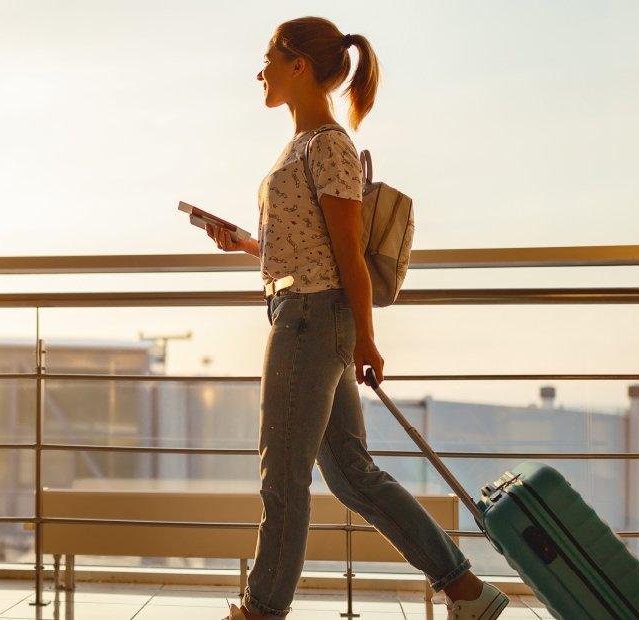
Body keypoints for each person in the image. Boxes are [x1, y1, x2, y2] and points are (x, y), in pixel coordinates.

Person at [203, 16, 510, 620]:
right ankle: (466, 592)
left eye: (268, 59)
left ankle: (260, 610)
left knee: (283, 477)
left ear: (299, 67)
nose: (259, 71)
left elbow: (349, 253)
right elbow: (308, 243)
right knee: (351, 475)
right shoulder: (298, 146)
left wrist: (367, 338)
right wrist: (245, 243)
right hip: (303, 312)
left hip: (311, 321)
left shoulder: (329, 146)